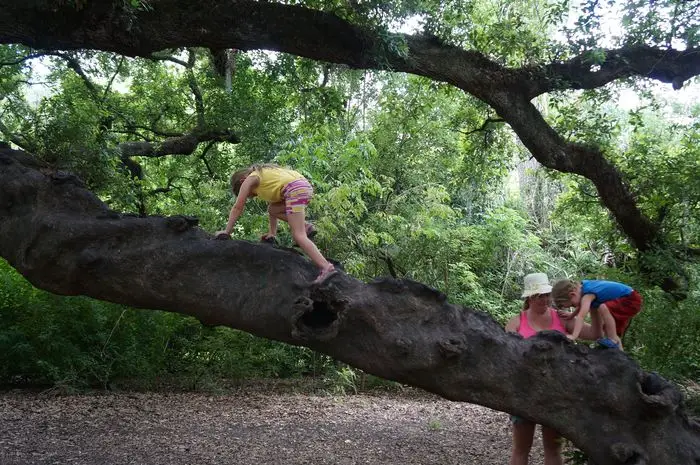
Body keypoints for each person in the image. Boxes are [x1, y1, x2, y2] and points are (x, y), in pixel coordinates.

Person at [504, 272, 596, 465]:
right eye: (540, 296)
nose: (545, 299)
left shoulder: (562, 318)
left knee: (553, 450)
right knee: (521, 449)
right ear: (530, 297)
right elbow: (506, 358)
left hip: (557, 393)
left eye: (547, 294)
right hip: (524, 393)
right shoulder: (516, 322)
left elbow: (595, 333)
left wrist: (594, 304)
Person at [214, 163, 336, 284]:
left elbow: (238, 207)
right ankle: (304, 225)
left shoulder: (251, 178)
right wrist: (272, 233)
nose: (255, 195)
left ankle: (326, 267)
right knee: (273, 209)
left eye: (252, 194)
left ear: (242, 181)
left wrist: (227, 231)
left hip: (294, 191)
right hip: (304, 187)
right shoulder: (268, 174)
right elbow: (272, 210)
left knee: (299, 235)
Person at [551, 278, 642, 350]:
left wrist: (574, 336)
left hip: (630, 299)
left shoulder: (587, 295)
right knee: (607, 329)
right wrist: (571, 315)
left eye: (572, 305)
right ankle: (620, 354)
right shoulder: (582, 290)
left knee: (603, 307)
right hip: (626, 300)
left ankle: (613, 339)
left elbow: (581, 316)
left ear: (572, 294)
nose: (574, 307)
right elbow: (580, 306)